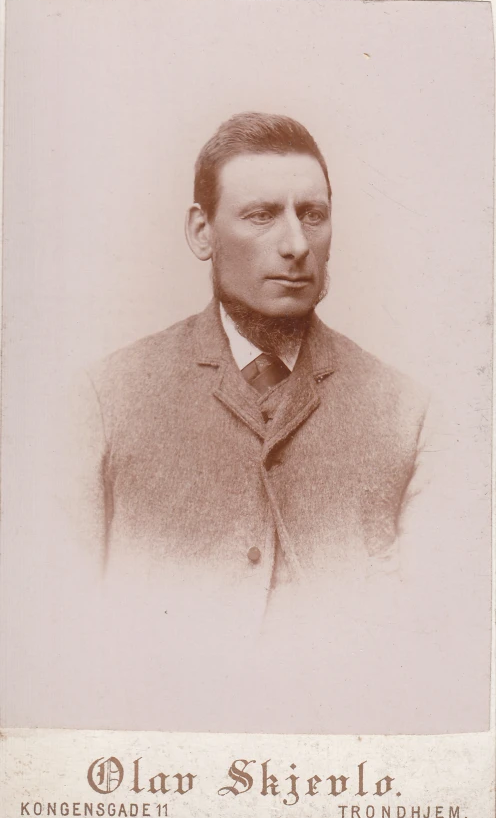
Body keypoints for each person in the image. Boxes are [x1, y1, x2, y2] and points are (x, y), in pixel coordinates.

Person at [77, 112, 430, 626]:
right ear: (202, 232)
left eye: (312, 214)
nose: (297, 245)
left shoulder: (406, 413)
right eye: (262, 215)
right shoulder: (107, 398)